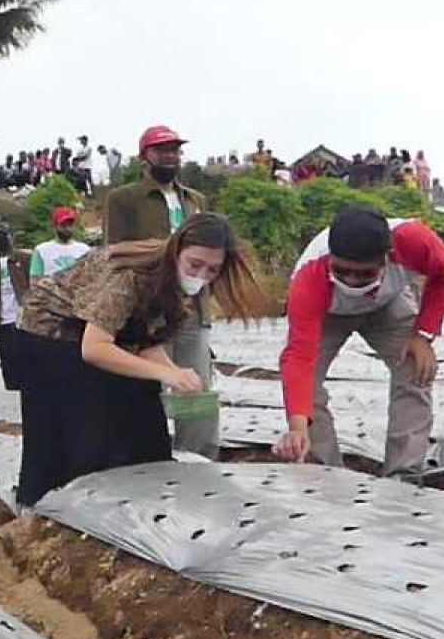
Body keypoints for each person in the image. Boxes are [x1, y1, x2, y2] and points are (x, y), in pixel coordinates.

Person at [16, 213, 264, 506]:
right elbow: (94, 349)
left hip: (103, 335)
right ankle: (50, 506)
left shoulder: (178, 289)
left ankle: (142, 494)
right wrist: (167, 374)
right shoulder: (128, 275)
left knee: (143, 410)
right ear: (177, 250)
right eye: (195, 265)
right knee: (78, 424)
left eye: (212, 270)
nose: (202, 276)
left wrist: (174, 371)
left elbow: (145, 342)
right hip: (51, 332)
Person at [274, 207, 444, 480]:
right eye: (342, 272)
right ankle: (325, 472)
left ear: (388, 258)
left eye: (364, 274)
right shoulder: (309, 279)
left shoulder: (413, 241)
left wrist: (423, 335)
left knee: (415, 369)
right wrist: (298, 427)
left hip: (388, 304)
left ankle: (404, 473)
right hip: (330, 312)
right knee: (307, 387)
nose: (351, 281)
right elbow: (300, 357)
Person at [106, 125, 216, 458]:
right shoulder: (124, 199)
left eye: (174, 150)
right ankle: (146, 455)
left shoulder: (195, 200)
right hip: (150, 307)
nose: (170, 156)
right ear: (145, 157)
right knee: (147, 383)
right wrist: (167, 248)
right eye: (162, 150)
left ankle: (196, 455)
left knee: (196, 384)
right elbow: (115, 250)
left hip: (193, 306)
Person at [0, 223, 30, 390]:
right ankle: (11, 389)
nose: (1, 239)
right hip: (1, 317)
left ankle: (27, 387)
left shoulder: (23, 259)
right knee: (7, 356)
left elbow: (34, 282)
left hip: (22, 315)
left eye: (4, 235)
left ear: (11, 236)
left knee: (24, 355)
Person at [31, 207, 90, 280]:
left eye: (70, 225)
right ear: (55, 227)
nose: (68, 229)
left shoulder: (85, 250)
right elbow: (35, 281)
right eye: (63, 225)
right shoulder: (41, 250)